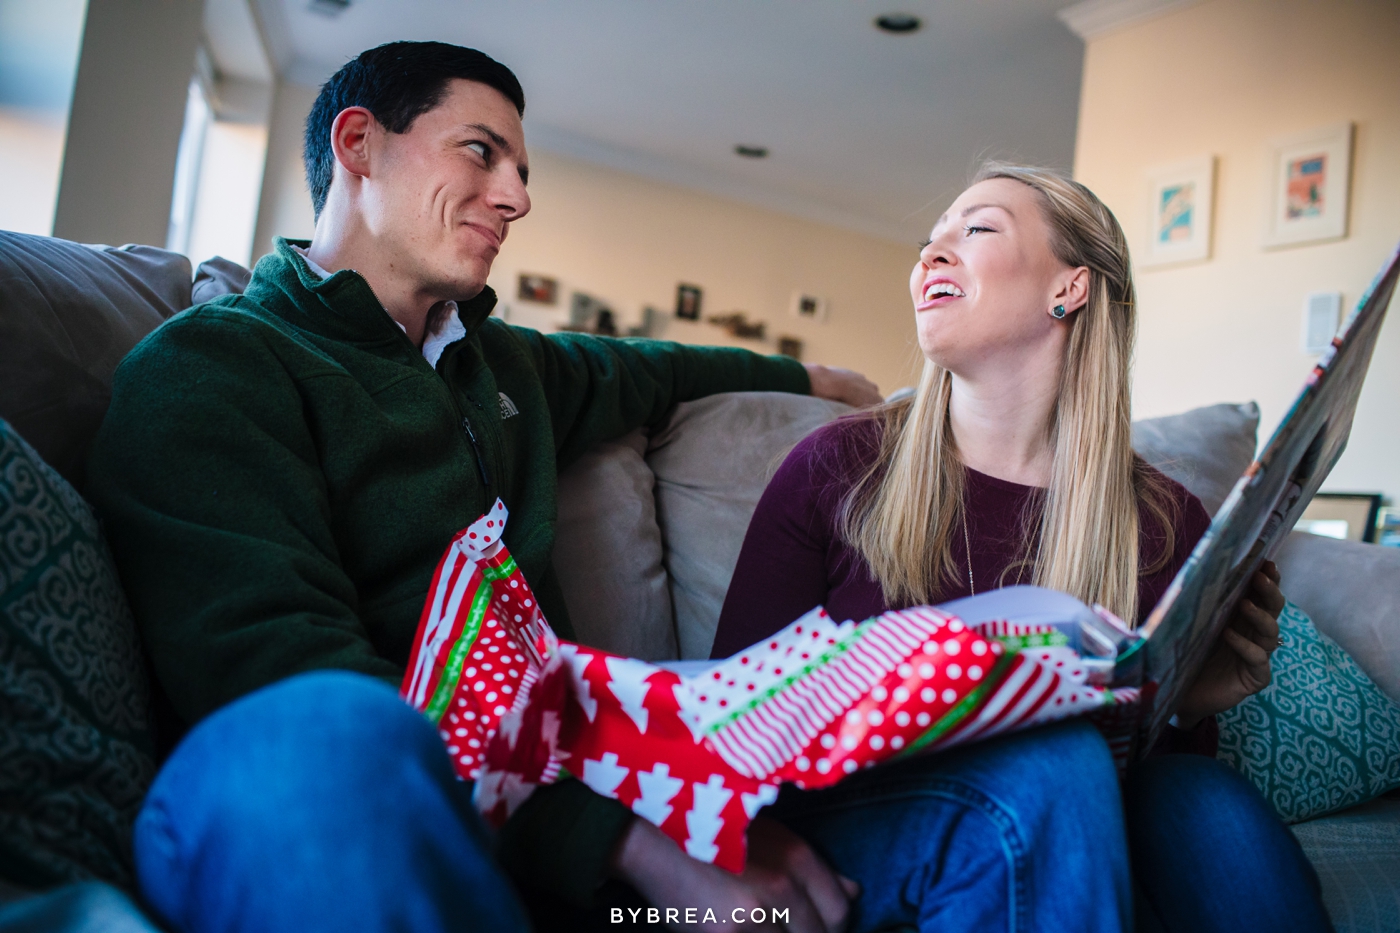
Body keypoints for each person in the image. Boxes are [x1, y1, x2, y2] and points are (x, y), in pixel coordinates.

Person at [85, 41, 884, 933]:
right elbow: (275, 672)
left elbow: (653, 369)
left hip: (549, 808)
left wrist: (817, 379)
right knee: (331, 737)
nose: (517, 197)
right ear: (359, 143)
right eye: (481, 151)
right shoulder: (211, 366)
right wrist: (632, 842)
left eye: (522, 170)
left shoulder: (501, 366)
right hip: (310, 800)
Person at [710, 163, 1333, 932]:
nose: (931, 256)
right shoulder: (836, 467)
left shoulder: (1166, 519)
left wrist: (1186, 703)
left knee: (1207, 801)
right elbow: (732, 724)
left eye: (974, 229)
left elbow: (1158, 764)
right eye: (927, 242)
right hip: (868, 815)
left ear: (1068, 289)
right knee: (1055, 762)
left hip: (1078, 814)